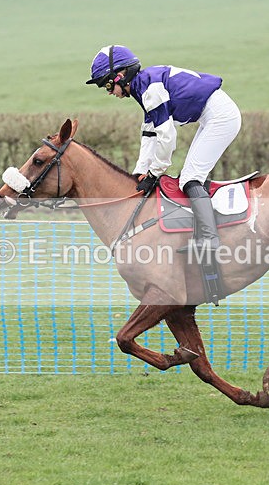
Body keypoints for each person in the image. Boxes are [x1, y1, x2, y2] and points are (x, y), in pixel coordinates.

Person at [85, 45, 242, 302]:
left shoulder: (150, 89)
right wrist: (139, 173)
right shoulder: (143, 87)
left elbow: (167, 138)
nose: (109, 92)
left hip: (221, 118)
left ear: (121, 75)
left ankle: (209, 241)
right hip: (212, 115)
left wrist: (155, 172)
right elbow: (149, 135)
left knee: (190, 178)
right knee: (189, 176)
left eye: (107, 85)